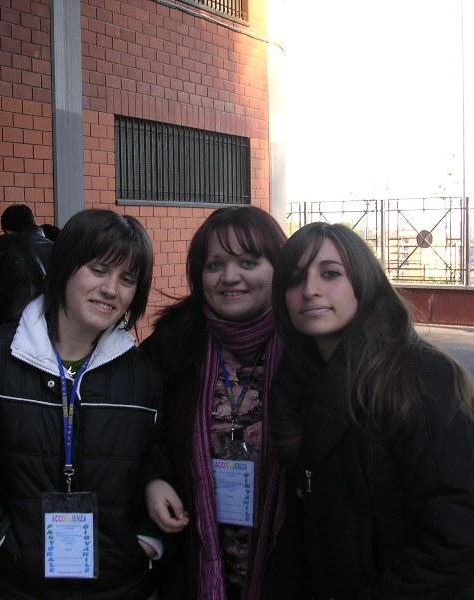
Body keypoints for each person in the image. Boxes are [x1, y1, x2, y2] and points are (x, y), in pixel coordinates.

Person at [0, 209, 169, 599]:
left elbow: (164, 456)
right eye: (99, 270)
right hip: (16, 582)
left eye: (127, 279)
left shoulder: (143, 374)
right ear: (63, 267)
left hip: (119, 582)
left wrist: (148, 537)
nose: (111, 289)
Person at [266, 222, 474, 599]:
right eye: (294, 279)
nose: (309, 290)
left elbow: (456, 534)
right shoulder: (294, 382)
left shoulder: (421, 378)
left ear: (364, 281)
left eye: (330, 274)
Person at [141, 206, 288, 600]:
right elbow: (138, 432)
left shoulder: (306, 349)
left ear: (279, 267)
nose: (229, 277)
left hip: (286, 566)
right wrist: (154, 478)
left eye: (248, 262)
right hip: (192, 560)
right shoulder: (171, 347)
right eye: (215, 265)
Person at [0, 204, 53, 330]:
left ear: (8, 230)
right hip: (47, 323)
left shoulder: (3, 245)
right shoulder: (54, 247)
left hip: (10, 324)